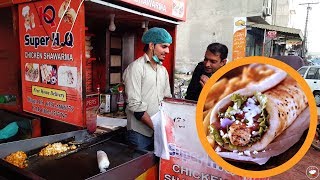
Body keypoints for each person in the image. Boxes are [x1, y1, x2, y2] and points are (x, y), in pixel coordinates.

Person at [123, 27, 172, 150]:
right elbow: (135, 106)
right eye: (164, 46)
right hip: (140, 134)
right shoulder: (136, 68)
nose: (168, 51)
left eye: (168, 47)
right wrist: (157, 128)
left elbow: (167, 100)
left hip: (159, 132)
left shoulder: (163, 70)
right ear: (151, 45)